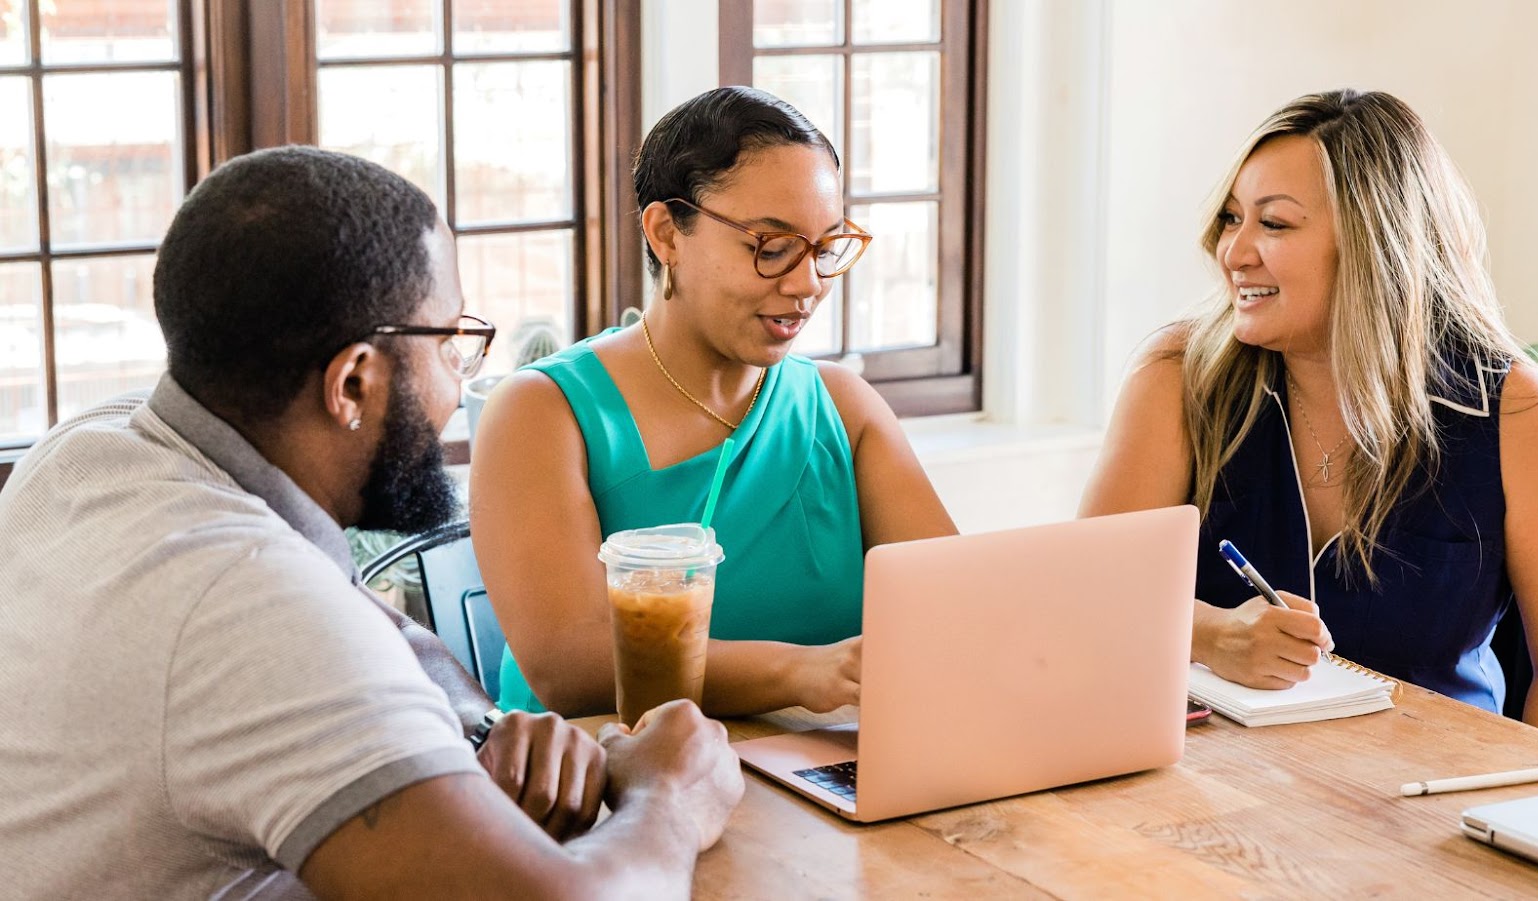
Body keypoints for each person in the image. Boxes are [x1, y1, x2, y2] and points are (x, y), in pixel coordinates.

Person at [0, 146, 742, 899]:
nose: (462, 378)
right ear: (352, 383)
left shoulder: (93, 444)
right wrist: (670, 798)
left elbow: (370, 629)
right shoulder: (248, 604)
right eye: (450, 343)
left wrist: (476, 729)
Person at [1079, 89, 1538, 745]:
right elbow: (1087, 597)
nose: (1234, 252)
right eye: (1233, 218)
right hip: (1212, 795)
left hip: (1434, 801)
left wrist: (1521, 816)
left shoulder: (1521, 414)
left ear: (1374, 244)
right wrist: (1211, 634)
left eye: (1274, 224)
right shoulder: (1177, 378)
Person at [472, 86, 957, 717]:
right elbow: (571, 665)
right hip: (611, 795)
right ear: (667, 232)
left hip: (813, 788)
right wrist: (801, 674)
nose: (807, 284)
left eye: (826, 248)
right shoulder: (542, 413)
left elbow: (953, 607)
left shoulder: (843, 410)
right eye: (771, 247)